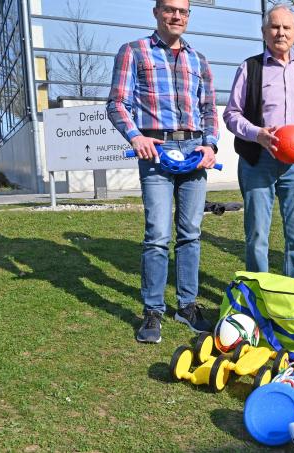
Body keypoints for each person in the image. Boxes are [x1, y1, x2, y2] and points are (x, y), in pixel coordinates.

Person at [107, 0, 219, 343]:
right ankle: (152, 311)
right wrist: (136, 136)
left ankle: (187, 306)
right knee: (157, 234)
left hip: (194, 152)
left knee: (191, 233)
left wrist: (211, 145)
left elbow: (209, 108)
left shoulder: (199, 60)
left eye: (183, 11)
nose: (176, 16)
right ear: (156, 12)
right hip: (155, 151)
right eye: (170, 9)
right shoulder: (134, 52)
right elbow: (117, 103)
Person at [223, 4, 294, 280]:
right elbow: (231, 114)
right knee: (257, 235)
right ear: (264, 32)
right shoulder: (250, 68)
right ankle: (259, 293)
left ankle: (293, 293)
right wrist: (258, 134)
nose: (281, 32)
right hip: (258, 161)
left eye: (286, 27)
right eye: (275, 27)